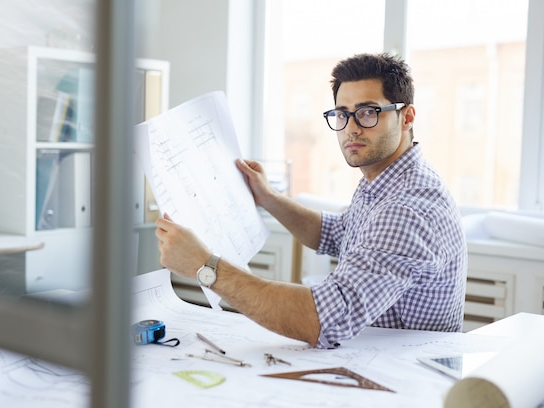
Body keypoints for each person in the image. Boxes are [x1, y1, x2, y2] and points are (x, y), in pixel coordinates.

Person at [155, 52, 467, 349]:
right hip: (374, 360)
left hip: (402, 382)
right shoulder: (384, 180)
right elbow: (337, 233)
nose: (352, 128)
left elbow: (322, 320)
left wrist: (204, 265)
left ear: (407, 116)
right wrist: (269, 197)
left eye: (369, 112)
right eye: (342, 114)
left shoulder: (405, 208)